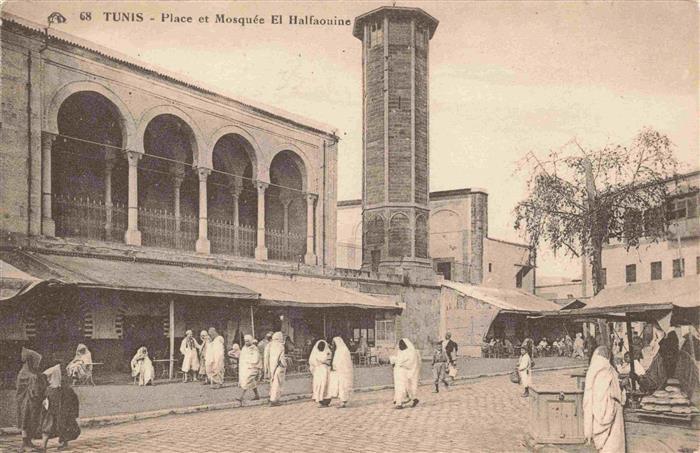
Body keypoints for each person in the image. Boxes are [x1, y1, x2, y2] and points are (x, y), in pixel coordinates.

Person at [583, 346, 626, 453]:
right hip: (614, 412)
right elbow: (619, 395)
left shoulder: (592, 371)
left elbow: (588, 401)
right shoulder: (611, 370)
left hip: (599, 413)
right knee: (614, 446)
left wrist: (587, 429)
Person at [38, 364, 80, 452]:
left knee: (62, 424)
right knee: (48, 425)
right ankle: (44, 445)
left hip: (61, 407)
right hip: (52, 407)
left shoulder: (64, 388)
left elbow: (74, 400)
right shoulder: (50, 387)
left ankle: (62, 443)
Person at [16, 347, 44, 451]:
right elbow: (34, 391)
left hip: (27, 402)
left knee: (28, 420)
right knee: (26, 420)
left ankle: (28, 442)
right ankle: (25, 444)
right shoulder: (30, 375)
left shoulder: (25, 373)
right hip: (27, 401)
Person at [390, 338, 420, 409]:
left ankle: (399, 403)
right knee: (401, 387)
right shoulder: (400, 352)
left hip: (404, 372)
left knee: (402, 387)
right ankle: (410, 399)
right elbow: (394, 360)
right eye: (399, 344)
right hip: (398, 372)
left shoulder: (410, 352)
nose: (400, 346)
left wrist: (400, 364)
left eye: (401, 344)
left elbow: (411, 363)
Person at [328, 337, 353, 408]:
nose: (333, 345)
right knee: (341, 387)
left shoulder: (342, 351)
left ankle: (343, 402)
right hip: (339, 372)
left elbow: (342, 362)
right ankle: (343, 401)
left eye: (334, 343)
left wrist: (335, 366)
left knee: (343, 387)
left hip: (343, 372)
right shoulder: (339, 351)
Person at [237, 335, 262, 403]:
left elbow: (256, 359)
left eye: (248, 341)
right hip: (246, 367)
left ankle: (241, 396)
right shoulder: (244, 348)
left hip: (253, 367)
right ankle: (257, 395)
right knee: (251, 382)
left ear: (251, 341)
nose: (246, 342)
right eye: (245, 341)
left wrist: (249, 362)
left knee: (247, 380)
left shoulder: (254, 349)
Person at [308, 339, 332, 407]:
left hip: (321, 370)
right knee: (322, 385)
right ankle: (322, 400)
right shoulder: (328, 352)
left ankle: (324, 400)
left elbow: (312, 362)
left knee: (324, 385)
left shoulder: (319, 353)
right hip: (321, 371)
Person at [266, 332, 287, 406]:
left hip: (272, 367)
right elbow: (281, 359)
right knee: (277, 385)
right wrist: (285, 365)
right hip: (279, 367)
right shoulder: (280, 346)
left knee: (273, 383)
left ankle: (272, 398)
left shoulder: (270, 345)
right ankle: (274, 400)